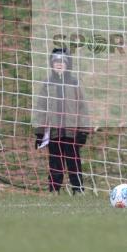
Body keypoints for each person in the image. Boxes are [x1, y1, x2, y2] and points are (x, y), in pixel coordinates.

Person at [33, 48, 92, 193]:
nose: (59, 65)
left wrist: (83, 131)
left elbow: (83, 108)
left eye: (62, 62)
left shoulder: (75, 83)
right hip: (54, 133)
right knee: (55, 163)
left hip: (72, 132)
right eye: (56, 62)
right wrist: (40, 132)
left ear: (68, 65)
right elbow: (41, 108)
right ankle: (54, 189)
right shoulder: (47, 84)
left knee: (74, 162)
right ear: (51, 64)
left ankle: (78, 189)